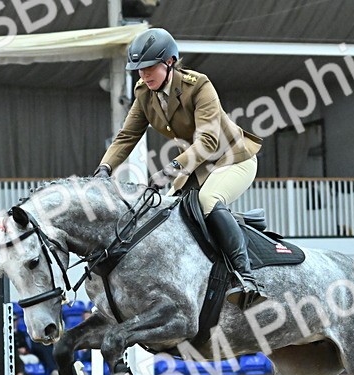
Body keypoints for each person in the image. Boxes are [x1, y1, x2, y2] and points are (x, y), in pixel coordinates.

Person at [94, 28, 266, 309]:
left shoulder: (199, 86)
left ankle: (246, 279)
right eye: (139, 70)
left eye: (150, 68)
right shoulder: (144, 93)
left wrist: (171, 169)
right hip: (196, 167)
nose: (144, 75)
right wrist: (104, 168)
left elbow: (209, 140)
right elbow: (127, 136)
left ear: (170, 62)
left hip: (233, 159)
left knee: (208, 200)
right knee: (168, 211)